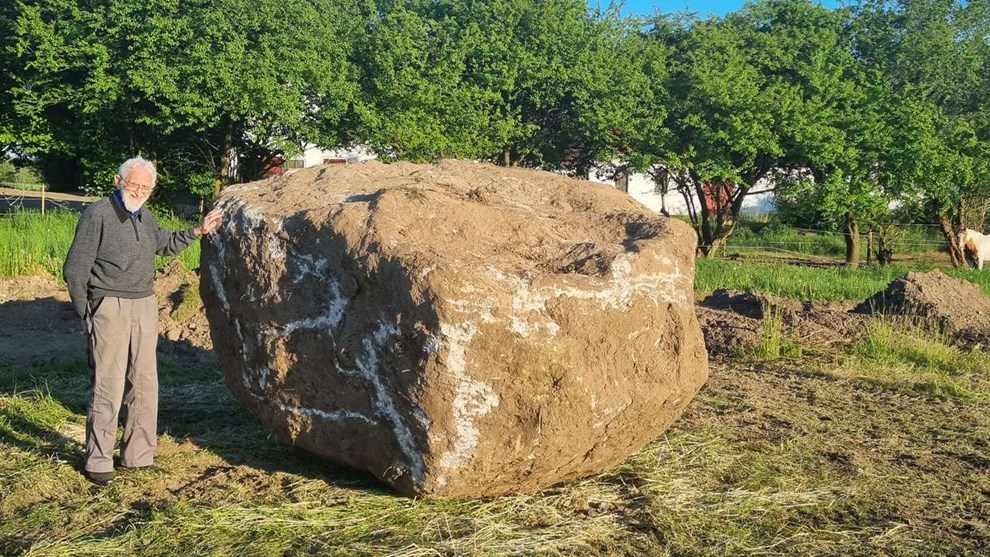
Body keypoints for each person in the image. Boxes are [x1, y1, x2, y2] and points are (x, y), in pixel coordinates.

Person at [63, 156, 222, 485]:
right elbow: (75, 270)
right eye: (132, 184)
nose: (138, 191)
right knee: (109, 384)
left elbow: (164, 244)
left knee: (145, 383)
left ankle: (137, 457)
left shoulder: (145, 217)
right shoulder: (98, 214)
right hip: (110, 306)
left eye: (145, 186)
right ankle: (99, 460)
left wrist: (197, 230)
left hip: (145, 305)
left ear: (152, 189)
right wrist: (87, 312)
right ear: (117, 181)